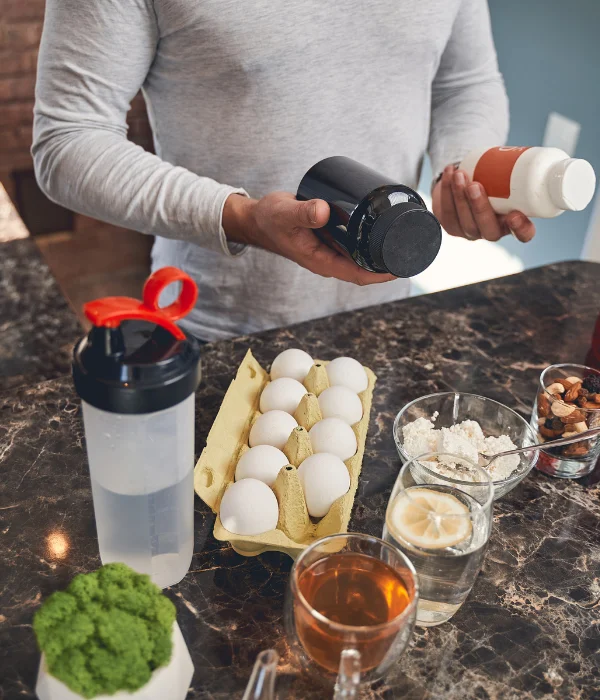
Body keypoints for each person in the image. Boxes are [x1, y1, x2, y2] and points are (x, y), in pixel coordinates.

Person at [33, 0, 535, 342]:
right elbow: (69, 139)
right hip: (217, 325)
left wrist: (461, 170)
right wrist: (242, 218)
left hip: (387, 309)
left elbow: (464, 83)